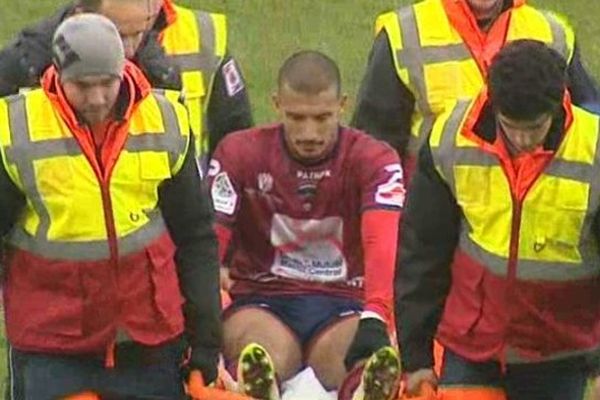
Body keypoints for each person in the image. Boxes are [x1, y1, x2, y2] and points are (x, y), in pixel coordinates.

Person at [0, 14, 221, 400]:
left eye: (107, 82)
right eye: (82, 86)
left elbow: (195, 236)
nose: (98, 98)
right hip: (53, 346)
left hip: (150, 340)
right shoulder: (15, 130)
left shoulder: (167, 121)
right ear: (57, 73)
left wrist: (206, 342)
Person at [395, 39, 600, 400]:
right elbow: (423, 250)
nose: (521, 139)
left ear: (560, 104)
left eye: (534, 127)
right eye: (510, 125)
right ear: (493, 104)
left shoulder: (594, 150)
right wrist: (416, 356)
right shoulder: (450, 139)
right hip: (471, 343)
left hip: (562, 353)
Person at [207, 50, 404, 400]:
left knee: (350, 355)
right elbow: (209, 240)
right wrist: (207, 301)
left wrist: (375, 314)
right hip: (262, 297)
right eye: (296, 117)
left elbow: (382, 240)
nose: (309, 132)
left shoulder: (374, 159)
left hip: (344, 300)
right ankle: (253, 385)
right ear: (276, 104)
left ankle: (362, 386)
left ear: (342, 106)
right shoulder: (239, 152)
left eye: (322, 117)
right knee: (263, 350)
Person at [352, 0, 599, 185]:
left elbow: (589, 119)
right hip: (434, 208)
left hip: (535, 214)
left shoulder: (552, 32)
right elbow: (375, 147)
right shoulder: (403, 34)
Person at [0, 0, 252, 165]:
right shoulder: (27, 64)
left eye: (138, 34)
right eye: (119, 35)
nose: (129, 50)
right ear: (82, 15)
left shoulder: (161, 71)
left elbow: (236, 141)